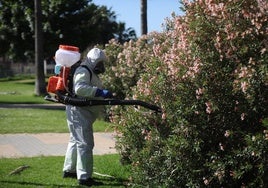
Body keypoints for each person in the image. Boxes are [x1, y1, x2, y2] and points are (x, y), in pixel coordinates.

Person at [62, 47, 113, 186]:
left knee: (75, 141)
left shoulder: (89, 71)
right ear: (93, 60)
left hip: (80, 112)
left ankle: (69, 170)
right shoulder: (84, 70)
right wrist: (99, 92)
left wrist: (101, 93)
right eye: (99, 63)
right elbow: (80, 88)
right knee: (85, 144)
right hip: (79, 112)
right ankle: (84, 177)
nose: (101, 66)